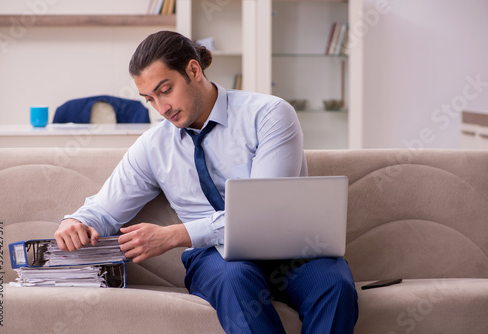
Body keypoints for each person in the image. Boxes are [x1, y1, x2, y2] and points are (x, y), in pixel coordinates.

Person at [54, 30, 358, 333]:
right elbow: (105, 210)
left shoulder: (269, 115)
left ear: (193, 70)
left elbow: (266, 213)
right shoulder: (154, 146)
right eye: (149, 99)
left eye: (165, 90)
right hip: (216, 259)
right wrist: (76, 222)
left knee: (335, 285)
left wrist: (175, 234)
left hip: (289, 247)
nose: (161, 108)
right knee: (236, 279)